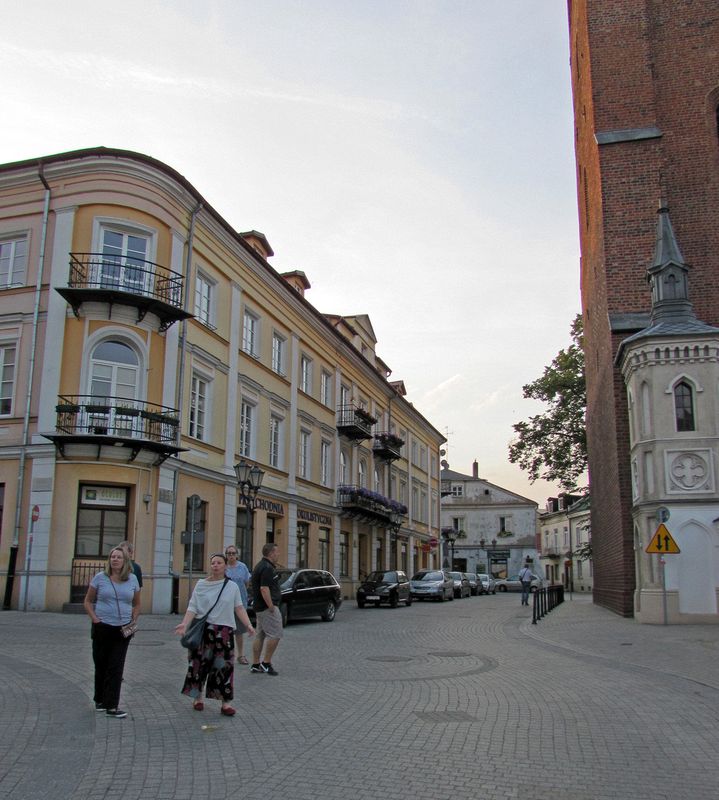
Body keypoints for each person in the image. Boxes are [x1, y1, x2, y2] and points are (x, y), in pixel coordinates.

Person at [175, 552, 255, 716]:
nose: (216, 565)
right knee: (198, 664)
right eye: (213, 563)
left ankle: (225, 703)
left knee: (224, 667)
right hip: (203, 630)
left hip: (224, 632)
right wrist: (184, 623)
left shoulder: (231, 586)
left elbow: (239, 607)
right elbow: (193, 607)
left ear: (225, 566)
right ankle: (198, 698)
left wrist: (248, 625)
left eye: (219, 563)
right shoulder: (201, 584)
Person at [83, 546, 141, 719]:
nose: (115, 559)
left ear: (125, 561)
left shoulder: (132, 579)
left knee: (116, 666)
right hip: (102, 626)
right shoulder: (100, 578)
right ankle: (99, 699)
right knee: (101, 664)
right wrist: (95, 619)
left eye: (118, 557)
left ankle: (112, 705)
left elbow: (137, 604)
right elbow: (87, 601)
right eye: (112, 557)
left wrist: (134, 619)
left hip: (123, 628)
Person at [250, 542, 283, 676]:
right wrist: (271, 606)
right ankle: (266, 663)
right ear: (271, 553)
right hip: (266, 608)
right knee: (276, 634)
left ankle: (256, 664)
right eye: (277, 552)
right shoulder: (267, 568)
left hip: (259, 607)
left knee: (260, 635)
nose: (278, 554)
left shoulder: (260, 565)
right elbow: (264, 588)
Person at [225, 546, 252, 665]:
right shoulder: (223, 567)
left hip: (240, 603)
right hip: (226, 604)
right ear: (226, 555)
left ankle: (240, 655)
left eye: (233, 553)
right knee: (226, 630)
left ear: (237, 555)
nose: (231, 555)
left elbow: (247, 583)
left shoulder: (243, 567)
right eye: (229, 553)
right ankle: (226, 654)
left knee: (239, 631)